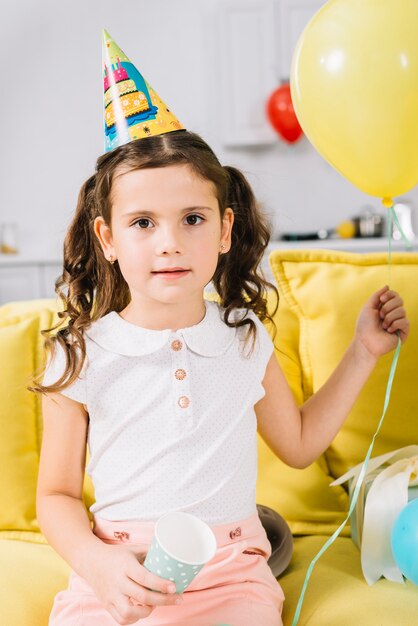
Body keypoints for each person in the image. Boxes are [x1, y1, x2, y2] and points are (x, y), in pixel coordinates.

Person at [31, 32, 410, 626]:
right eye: (142, 222)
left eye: (192, 218)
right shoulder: (79, 354)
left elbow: (301, 443)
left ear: (225, 229)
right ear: (107, 239)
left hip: (232, 569)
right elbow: (53, 497)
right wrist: (96, 565)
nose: (170, 242)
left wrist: (364, 350)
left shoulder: (245, 338)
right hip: (117, 567)